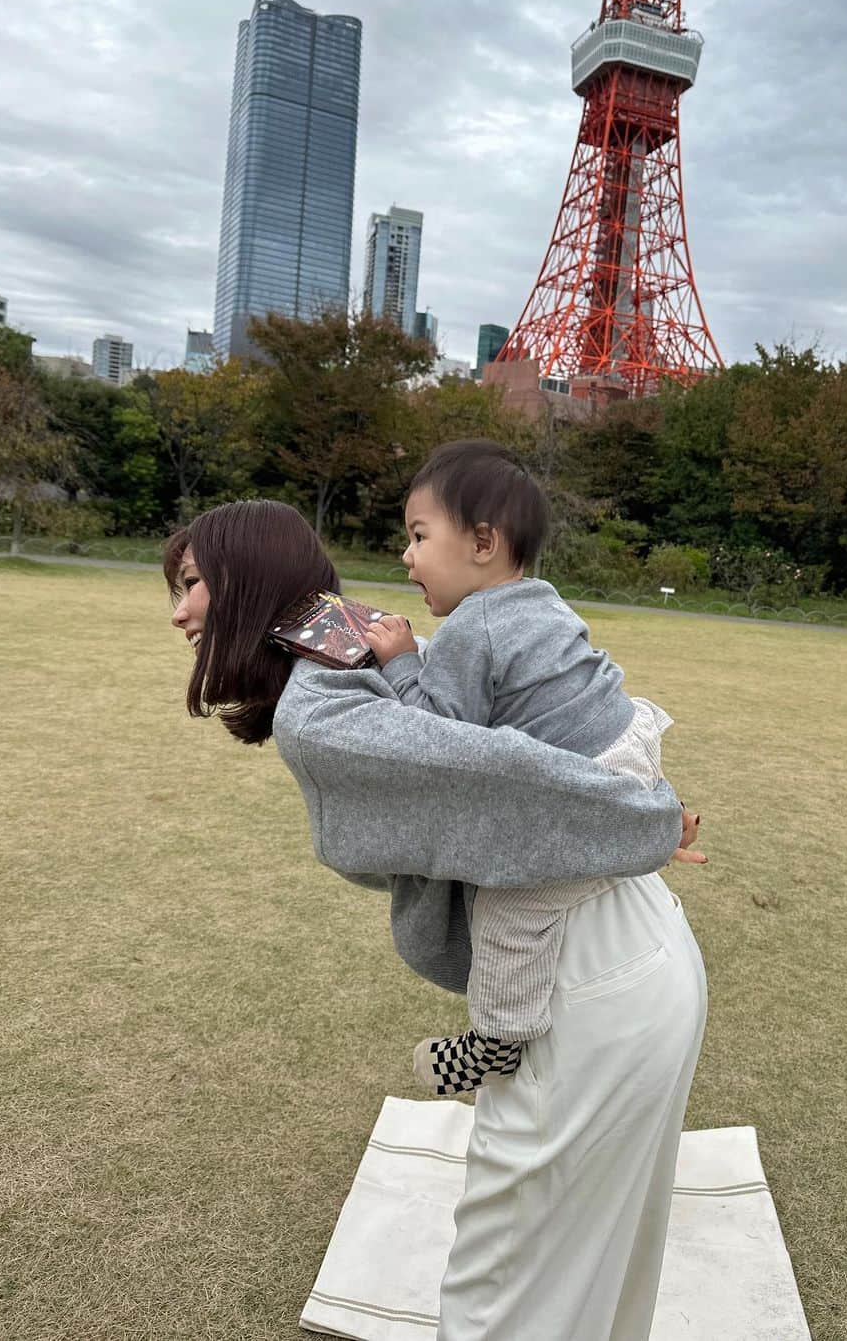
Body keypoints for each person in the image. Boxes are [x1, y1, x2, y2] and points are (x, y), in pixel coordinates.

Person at [166, 497, 707, 1341]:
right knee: (600, 1278)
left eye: (192, 583)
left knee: (507, 1297)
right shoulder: (340, 654)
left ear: (241, 581)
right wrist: (631, 820)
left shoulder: (320, 711)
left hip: (588, 976)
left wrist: (642, 818)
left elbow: (499, 773)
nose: (179, 610)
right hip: (632, 949)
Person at [359, 439, 706, 1098]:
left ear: (482, 542)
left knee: (509, 904)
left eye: (419, 536)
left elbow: (439, 736)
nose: (406, 556)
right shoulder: (543, 598)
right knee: (600, 804)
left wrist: (401, 661)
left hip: (590, 772)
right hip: (628, 742)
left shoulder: (470, 627)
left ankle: (497, 1036)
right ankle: (665, 818)